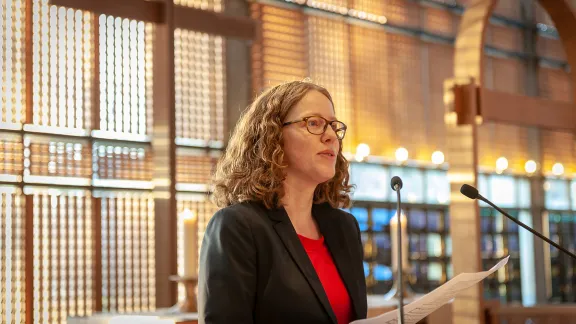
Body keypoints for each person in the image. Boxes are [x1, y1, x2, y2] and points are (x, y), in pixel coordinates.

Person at [198, 80, 367, 324]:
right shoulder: (237, 226)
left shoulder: (344, 227)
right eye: (314, 123)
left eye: (333, 126)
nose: (330, 136)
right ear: (273, 136)